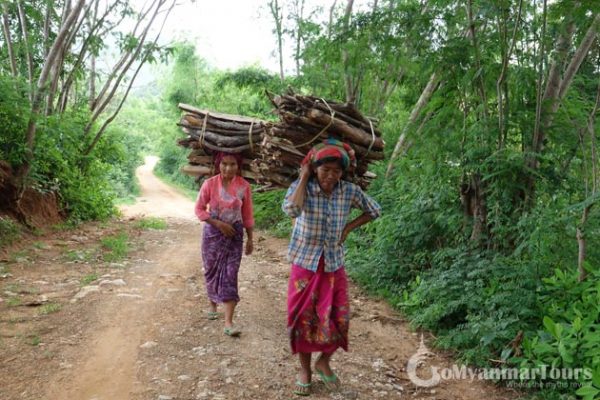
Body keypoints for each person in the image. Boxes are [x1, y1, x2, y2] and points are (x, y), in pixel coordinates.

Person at [282, 139, 382, 396]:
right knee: (302, 318)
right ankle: (304, 369)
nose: (330, 175)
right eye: (325, 169)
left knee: (340, 318)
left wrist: (348, 228)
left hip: (334, 264)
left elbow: (375, 210)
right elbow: (291, 209)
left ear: (343, 173)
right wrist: (304, 177)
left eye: (336, 171)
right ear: (315, 168)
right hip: (305, 263)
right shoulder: (303, 187)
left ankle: (324, 361)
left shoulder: (348, 191)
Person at [195, 152, 254, 337]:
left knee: (230, 274)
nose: (228, 168)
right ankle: (212, 304)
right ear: (218, 164)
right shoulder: (210, 184)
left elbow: (247, 215)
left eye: (233, 164)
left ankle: (228, 322)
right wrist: (218, 224)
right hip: (213, 234)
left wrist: (250, 238)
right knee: (211, 270)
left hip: (234, 236)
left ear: (238, 166)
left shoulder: (244, 186)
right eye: (224, 164)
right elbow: (199, 209)